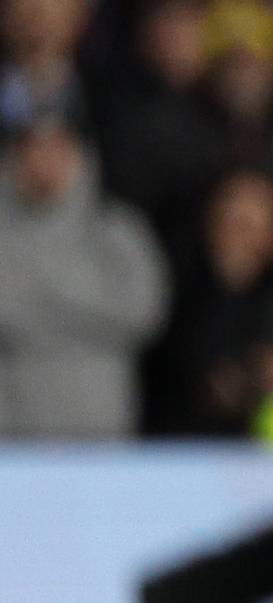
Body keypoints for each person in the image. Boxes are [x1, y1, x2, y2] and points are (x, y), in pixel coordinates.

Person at [0, 75, 170, 435]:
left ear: (79, 155)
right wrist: (89, 316)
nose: (43, 161)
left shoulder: (117, 230)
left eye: (56, 147)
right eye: (30, 148)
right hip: (10, 438)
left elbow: (144, 312)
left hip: (100, 435)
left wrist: (44, 291)